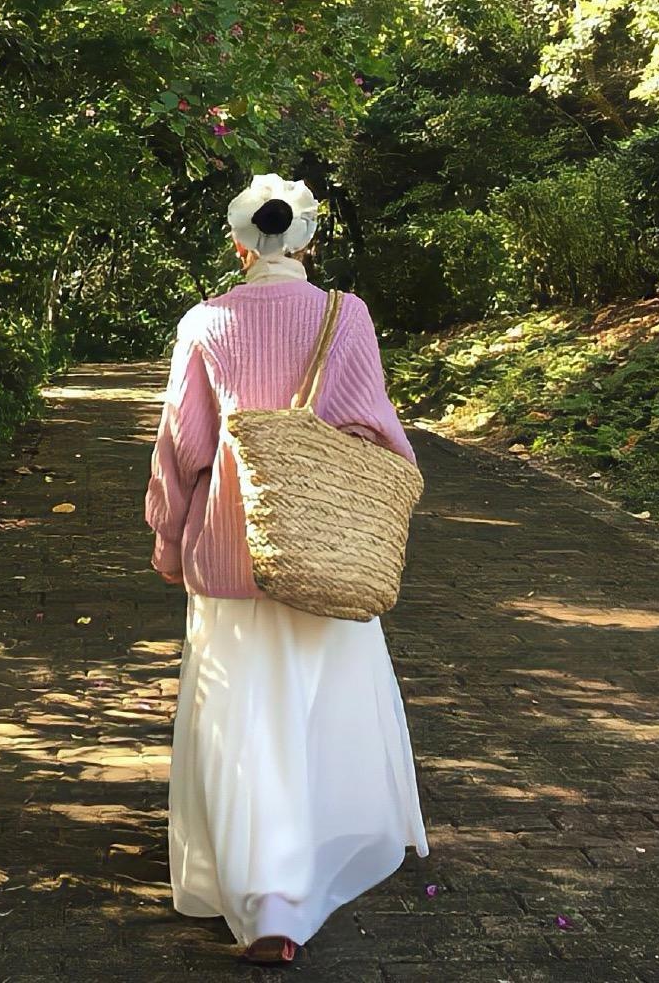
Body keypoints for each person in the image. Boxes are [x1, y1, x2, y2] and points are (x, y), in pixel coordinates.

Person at [143, 173, 430, 964]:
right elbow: (376, 431)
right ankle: (314, 865)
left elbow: (182, 447)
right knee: (324, 711)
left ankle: (263, 897)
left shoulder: (205, 322)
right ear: (306, 241)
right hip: (329, 551)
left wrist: (168, 541)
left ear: (240, 244)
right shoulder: (348, 316)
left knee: (240, 717)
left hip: (230, 551)